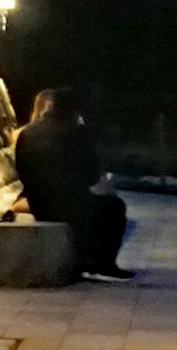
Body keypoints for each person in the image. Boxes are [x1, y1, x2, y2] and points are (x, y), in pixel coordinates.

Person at [14, 85, 132, 280]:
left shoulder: (28, 132)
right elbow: (91, 175)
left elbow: (23, 170)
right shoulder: (76, 132)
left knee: (90, 208)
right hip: (69, 202)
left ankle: (88, 259)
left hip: (39, 204)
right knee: (114, 208)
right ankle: (103, 263)